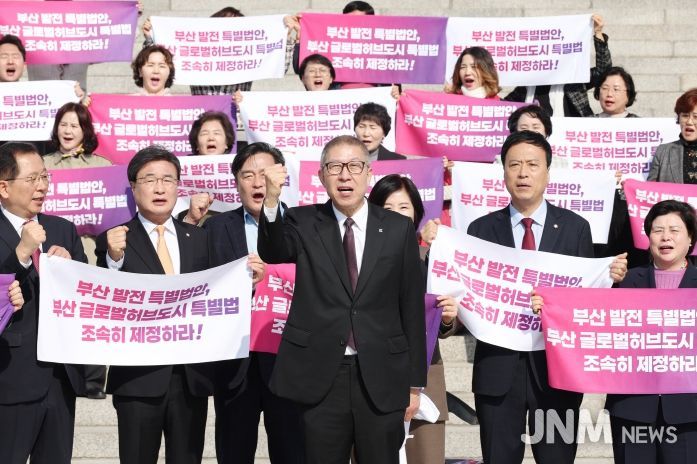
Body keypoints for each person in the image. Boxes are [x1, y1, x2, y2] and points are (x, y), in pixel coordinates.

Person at [436, 131, 627, 464]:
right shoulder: (480, 230)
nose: (523, 173)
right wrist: (449, 319)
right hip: (497, 372)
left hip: (555, 374)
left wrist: (606, 280)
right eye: (514, 165)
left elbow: (583, 303)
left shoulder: (576, 228)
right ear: (504, 173)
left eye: (532, 165)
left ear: (548, 172)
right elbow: (468, 302)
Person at [258, 135, 426, 463]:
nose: (345, 175)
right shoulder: (303, 221)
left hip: (381, 374)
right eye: (335, 167)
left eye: (354, 166)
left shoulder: (397, 228)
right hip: (320, 374)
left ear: (369, 173)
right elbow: (274, 250)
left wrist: (414, 384)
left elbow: (410, 306)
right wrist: (272, 199)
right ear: (321, 176)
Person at [94, 146, 214, 464]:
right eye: (149, 180)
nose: (159, 188)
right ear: (133, 187)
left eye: (167, 179)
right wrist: (114, 259)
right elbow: (104, 296)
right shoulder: (115, 239)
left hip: (189, 378)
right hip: (138, 379)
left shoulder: (199, 238)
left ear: (178, 186)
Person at [203, 142, 303, 464]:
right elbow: (200, 283)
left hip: (288, 359)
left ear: (281, 177)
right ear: (236, 182)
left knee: (292, 452)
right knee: (233, 451)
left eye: (265, 174)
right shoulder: (215, 228)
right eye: (248, 175)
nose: (258, 183)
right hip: (235, 360)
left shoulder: (304, 225)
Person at [0, 141, 88, 464]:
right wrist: (22, 254)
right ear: (4, 187)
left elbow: (87, 295)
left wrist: (71, 270)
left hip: (61, 378)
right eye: (32, 179)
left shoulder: (63, 230)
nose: (42, 186)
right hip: (10, 377)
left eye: (45, 177)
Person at [367, 174, 455, 464]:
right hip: (368, 379)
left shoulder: (434, 258)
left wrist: (447, 317)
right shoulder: (355, 258)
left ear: (416, 213)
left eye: (403, 207)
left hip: (425, 381)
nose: (396, 215)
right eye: (387, 208)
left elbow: (446, 319)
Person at [605, 199, 697, 464]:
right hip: (632, 407)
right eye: (658, 230)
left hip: (688, 409)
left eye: (675, 230)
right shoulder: (624, 281)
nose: (666, 237)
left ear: (690, 238)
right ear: (648, 237)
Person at [504, 15, 611, 117]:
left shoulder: (574, 80)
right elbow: (502, 106)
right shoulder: (526, 87)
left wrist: (598, 33)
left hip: (572, 130)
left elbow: (603, 72)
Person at [647, 88, 697, 183]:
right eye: (685, 116)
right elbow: (650, 188)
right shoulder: (663, 151)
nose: (689, 122)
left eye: (696, 117)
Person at [44, 102, 112, 169]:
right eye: (63, 125)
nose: (67, 131)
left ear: (85, 130)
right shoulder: (43, 164)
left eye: (74, 126)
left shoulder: (102, 165)